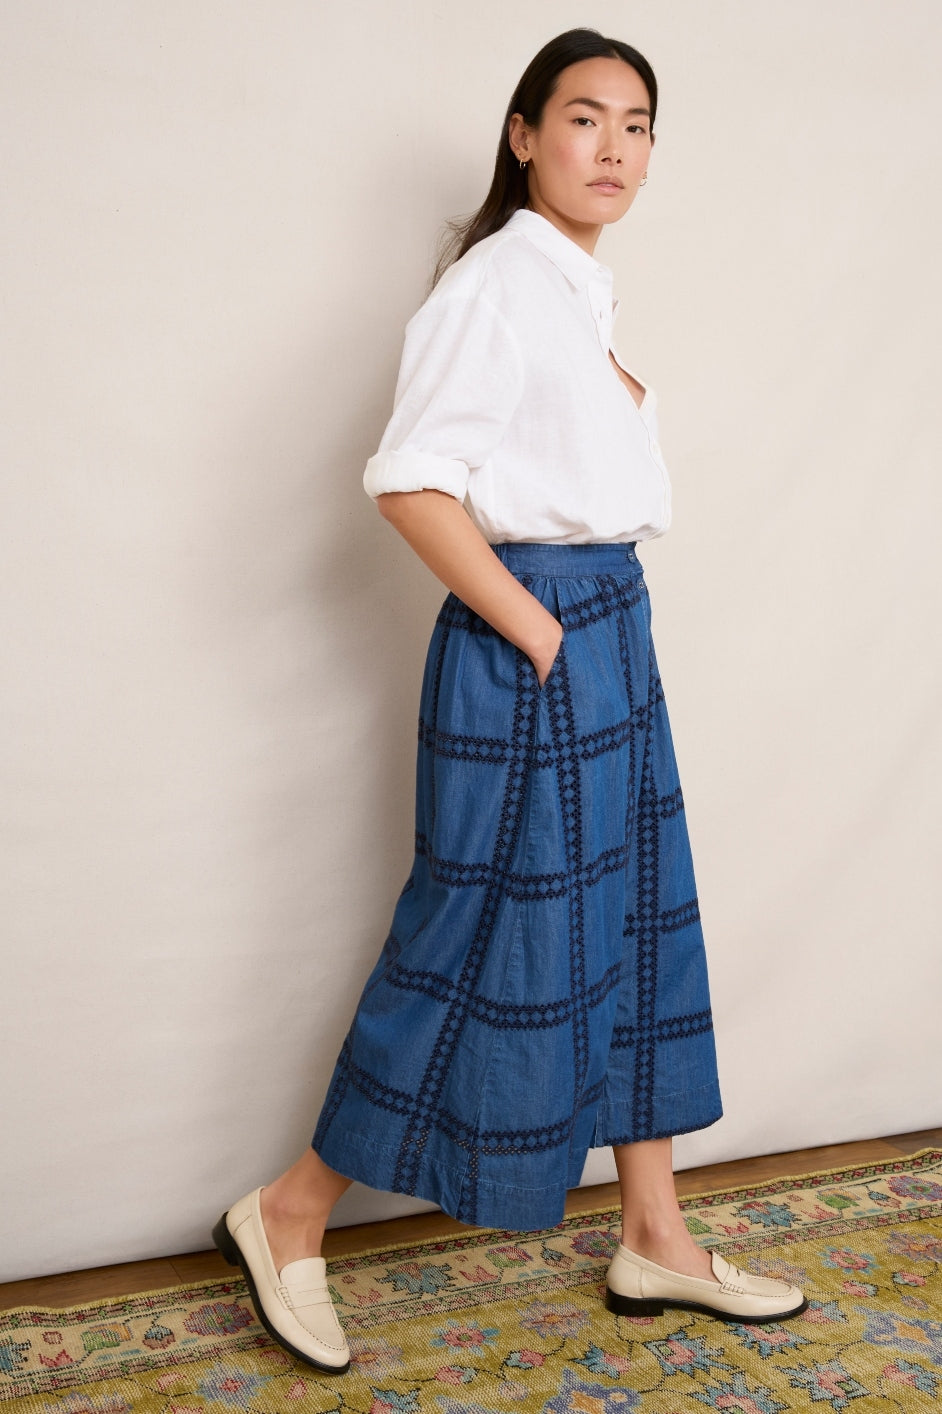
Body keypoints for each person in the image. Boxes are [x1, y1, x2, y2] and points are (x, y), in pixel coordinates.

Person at [212, 27, 807, 1375]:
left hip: (609, 628)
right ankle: (288, 1209)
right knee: (481, 934)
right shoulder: (494, 287)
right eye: (585, 117)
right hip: (531, 638)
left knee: (636, 922)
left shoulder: (575, 293)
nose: (614, 148)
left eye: (637, 126)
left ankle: (654, 1232)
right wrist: (538, 631)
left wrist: (585, 633)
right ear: (524, 134)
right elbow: (410, 480)